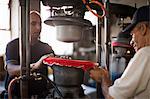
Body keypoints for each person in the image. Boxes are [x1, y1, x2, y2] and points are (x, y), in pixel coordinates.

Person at [90, 5, 150, 99]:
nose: (131, 42)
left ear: (143, 29)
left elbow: (112, 97)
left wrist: (103, 77)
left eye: (132, 34)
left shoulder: (146, 53)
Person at [5, 11, 55, 98]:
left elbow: (57, 67)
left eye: (40, 24)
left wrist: (63, 62)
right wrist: (35, 66)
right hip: (16, 95)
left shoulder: (46, 47)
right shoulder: (13, 45)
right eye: (33, 24)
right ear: (24, 25)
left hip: (41, 95)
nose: (38, 28)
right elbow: (11, 70)